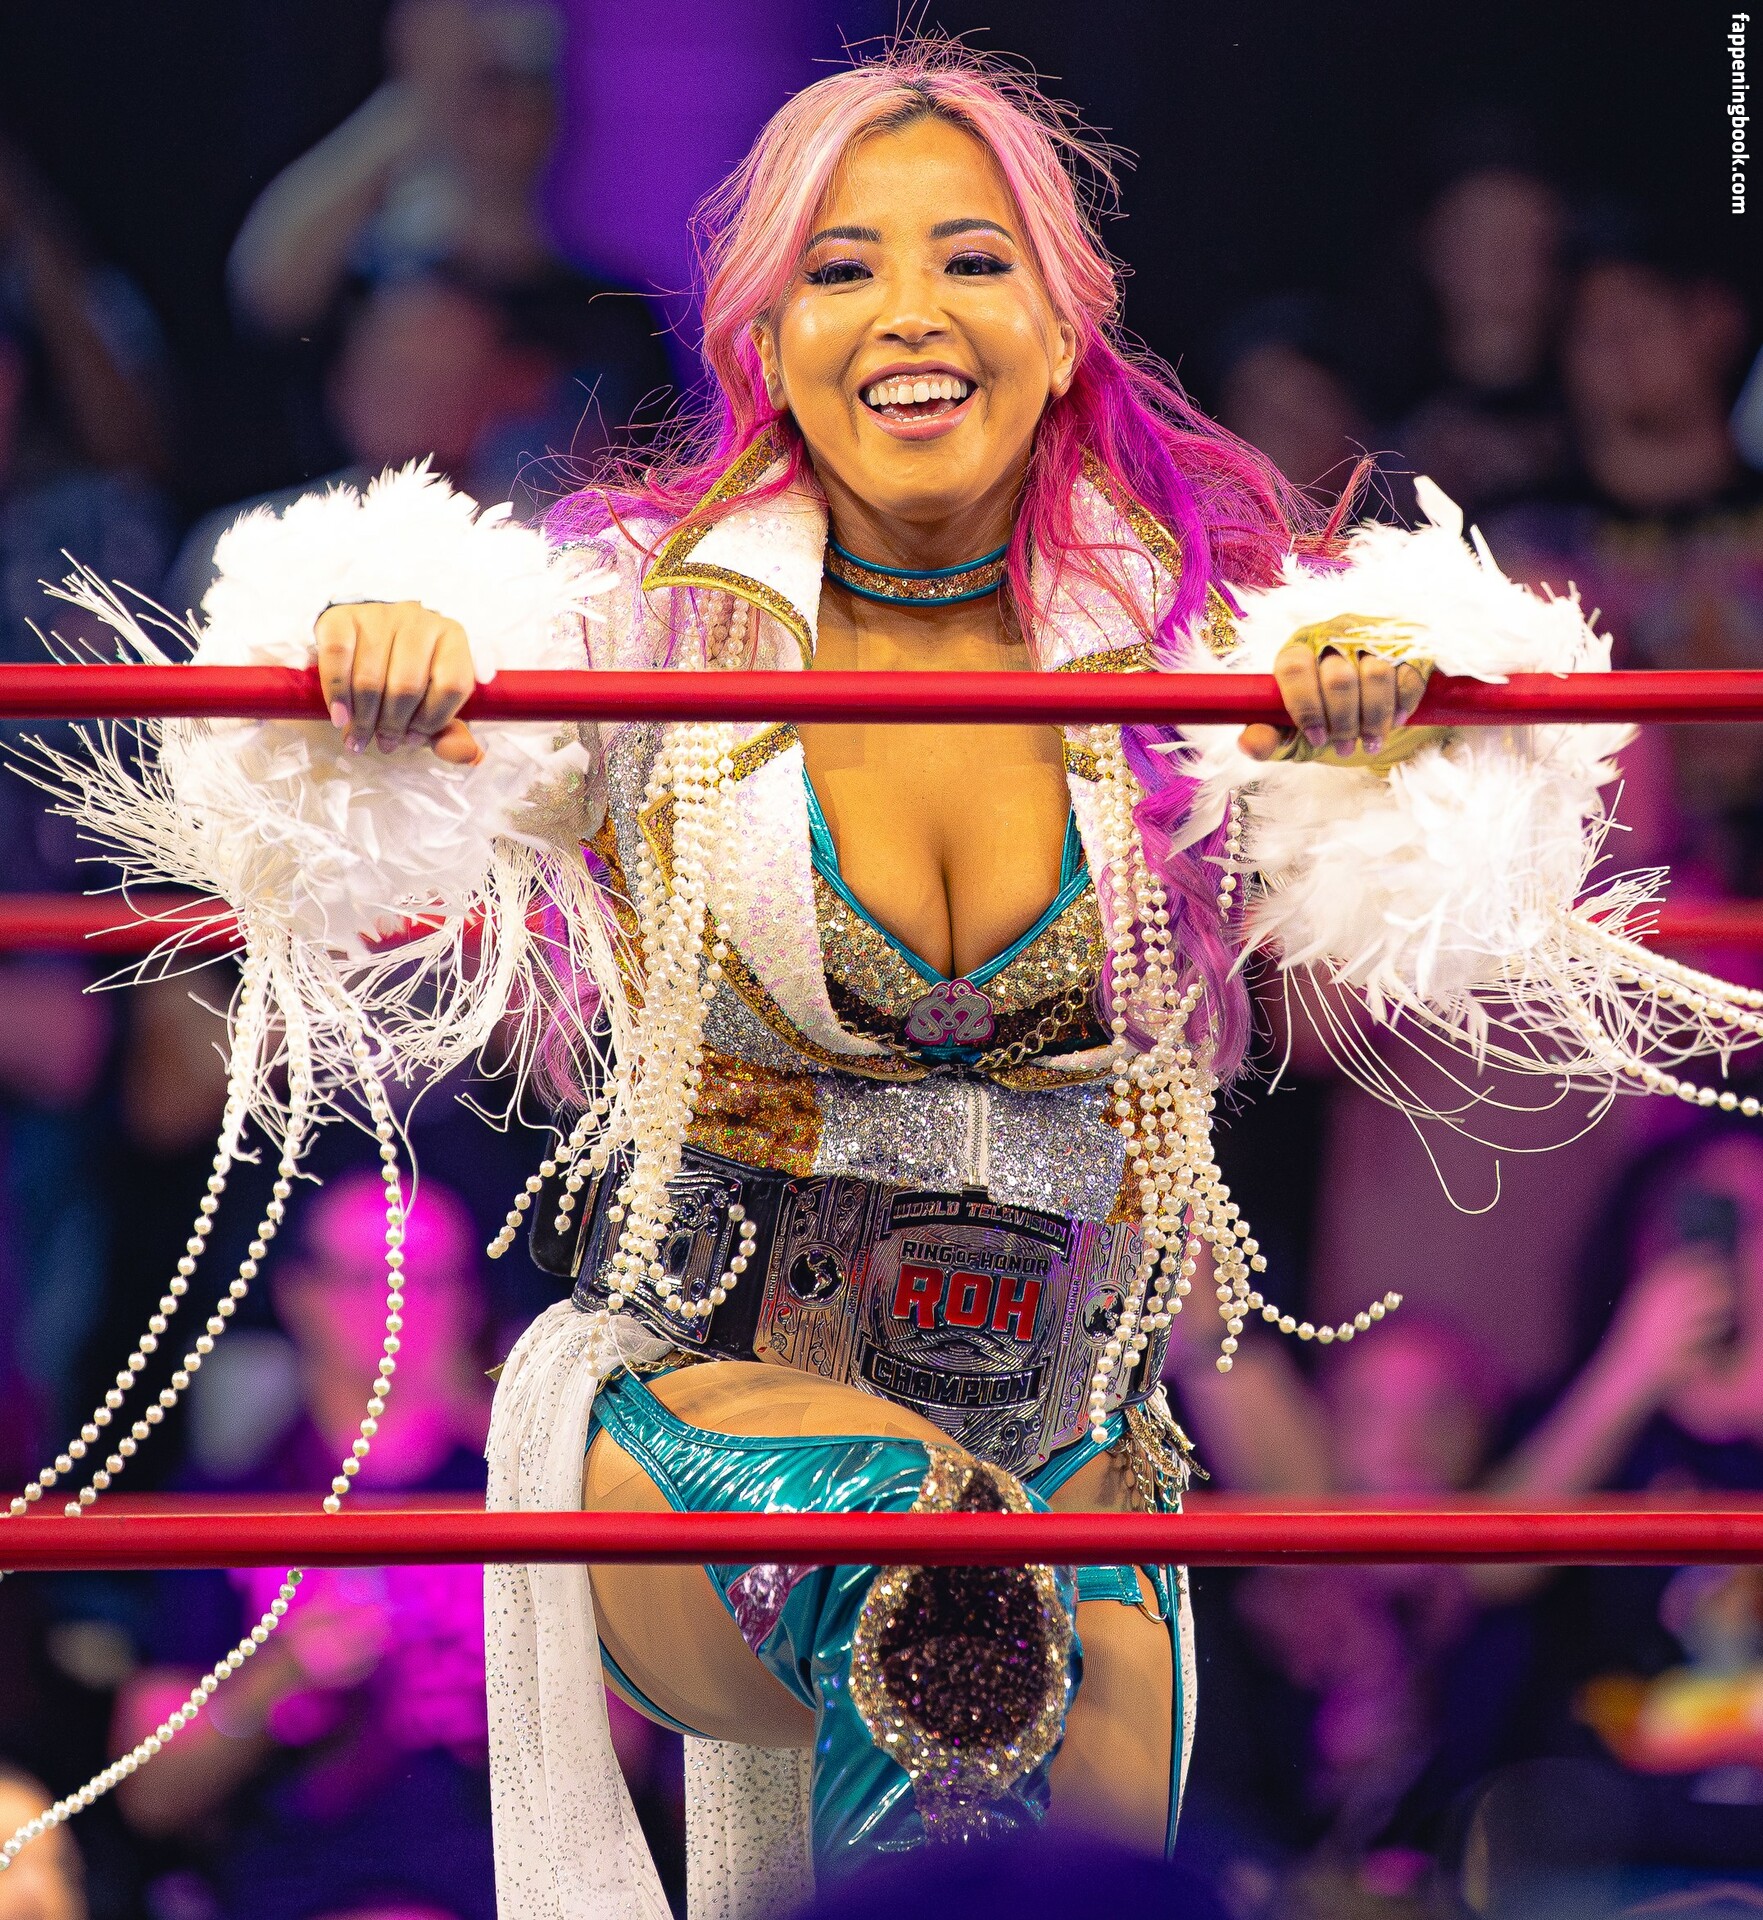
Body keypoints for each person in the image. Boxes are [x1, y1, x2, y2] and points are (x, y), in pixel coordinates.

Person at [304, 41, 1424, 1914]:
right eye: (841, 268)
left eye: (970, 259)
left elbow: (1465, 870)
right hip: (703, 1423)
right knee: (935, 1564)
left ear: (1061, 328)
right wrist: (382, 649)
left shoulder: (1190, 645)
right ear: (767, 339)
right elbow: (355, 787)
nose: (908, 309)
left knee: (1068, 1855)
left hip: (1071, 1451)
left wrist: (1384, 715)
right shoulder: (636, 620)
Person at [109, 1175, 500, 1920]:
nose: (399, 1308)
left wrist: (511, 1681)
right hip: (291, 1888)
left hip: (494, 1886)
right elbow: (149, 1794)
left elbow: (633, 1760)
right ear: (299, 1294)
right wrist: (279, 1677)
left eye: (429, 1280)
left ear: (471, 1302)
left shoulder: (521, 1498)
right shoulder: (230, 1503)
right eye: (367, 1278)